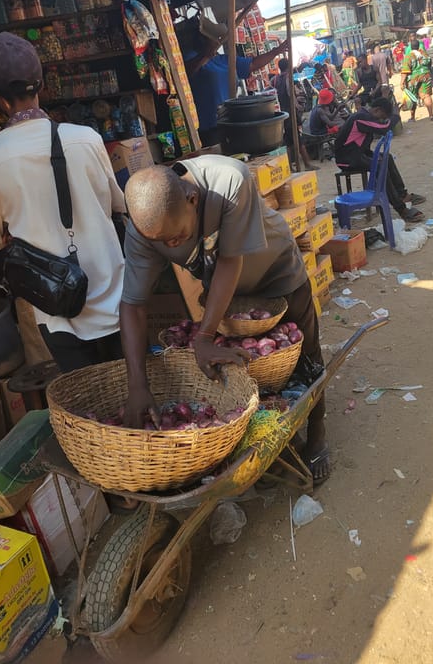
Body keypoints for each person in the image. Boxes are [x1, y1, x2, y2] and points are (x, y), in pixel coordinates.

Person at [119, 159, 330, 483]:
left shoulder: (228, 181)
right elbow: (133, 305)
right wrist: (137, 384)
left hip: (278, 275)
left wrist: (203, 336)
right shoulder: (143, 228)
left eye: (176, 238)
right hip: (224, 299)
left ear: (192, 200)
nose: (169, 246)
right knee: (247, 372)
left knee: (306, 355)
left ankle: (318, 430)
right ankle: (274, 436)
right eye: (160, 242)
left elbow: (229, 262)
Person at [0, 32, 126, 372]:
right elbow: (118, 205)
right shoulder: (87, 139)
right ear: (40, 83)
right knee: (139, 400)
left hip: (57, 310)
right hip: (116, 297)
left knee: (89, 410)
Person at [185, 34, 288, 147]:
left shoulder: (226, 59)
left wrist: (277, 51)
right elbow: (186, 73)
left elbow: (253, 63)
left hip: (231, 120)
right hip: (208, 124)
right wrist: (206, 55)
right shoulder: (191, 57)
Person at [334, 98, 426, 223]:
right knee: (379, 167)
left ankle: (402, 195)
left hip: (357, 154)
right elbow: (384, 128)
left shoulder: (365, 115)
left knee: (387, 158)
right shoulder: (361, 118)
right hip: (347, 159)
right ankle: (401, 209)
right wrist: (395, 115)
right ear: (377, 110)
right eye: (381, 116)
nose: (380, 120)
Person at [274, 59, 318, 171]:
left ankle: (290, 167)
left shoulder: (276, 79)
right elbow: (290, 94)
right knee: (298, 139)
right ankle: (307, 164)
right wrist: (297, 106)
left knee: (288, 141)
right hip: (290, 111)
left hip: (283, 111)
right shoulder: (288, 78)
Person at [400, 40, 433, 121]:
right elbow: (430, 65)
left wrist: (402, 82)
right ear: (418, 46)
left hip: (413, 79)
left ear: (410, 47)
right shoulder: (424, 54)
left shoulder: (408, 56)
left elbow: (405, 71)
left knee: (413, 97)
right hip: (426, 76)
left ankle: (412, 117)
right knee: (426, 96)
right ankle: (431, 115)